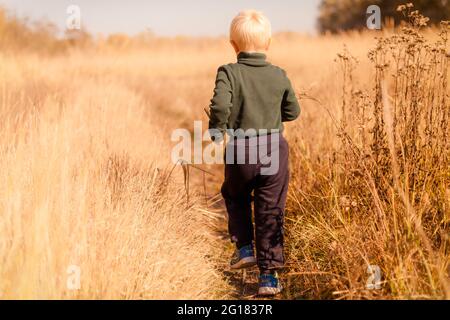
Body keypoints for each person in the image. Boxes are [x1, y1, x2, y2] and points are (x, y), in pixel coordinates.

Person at [208, 10, 300, 296]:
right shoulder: (278, 75)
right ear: (268, 43)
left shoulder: (228, 72)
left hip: (240, 150)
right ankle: (269, 278)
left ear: (233, 45)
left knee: (234, 195)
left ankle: (244, 247)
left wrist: (217, 130)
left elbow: (221, 106)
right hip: (274, 149)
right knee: (270, 209)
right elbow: (293, 111)